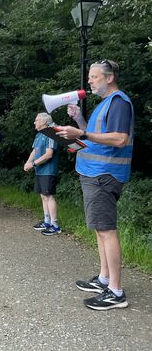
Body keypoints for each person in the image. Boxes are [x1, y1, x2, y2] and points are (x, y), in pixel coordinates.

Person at [56, 59, 133, 311]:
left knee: (106, 230)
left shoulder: (119, 102)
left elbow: (120, 139)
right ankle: (104, 279)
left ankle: (116, 292)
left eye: (94, 76)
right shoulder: (105, 104)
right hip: (94, 173)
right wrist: (80, 121)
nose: (89, 80)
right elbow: (95, 136)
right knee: (100, 229)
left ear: (109, 78)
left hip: (104, 175)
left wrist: (82, 135)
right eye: (90, 76)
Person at [23, 113, 60, 236]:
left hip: (48, 170)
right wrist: (28, 162)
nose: (34, 122)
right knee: (43, 196)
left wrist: (33, 164)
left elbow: (49, 154)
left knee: (48, 196)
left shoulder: (51, 134)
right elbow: (35, 151)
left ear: (44, 122)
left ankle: (55, 226)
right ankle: (47, 222)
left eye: (36, 120)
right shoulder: (39, 135)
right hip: (40, 170)